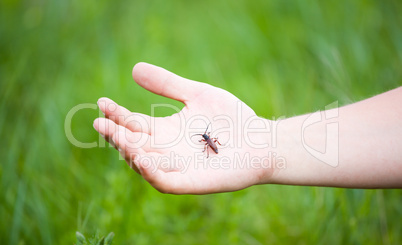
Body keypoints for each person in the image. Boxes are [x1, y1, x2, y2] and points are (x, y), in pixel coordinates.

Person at [93, 62, 402, 194]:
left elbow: (210, 140)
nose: (208, 141)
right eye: (207, 140)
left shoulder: (209, 140)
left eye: (208, 140)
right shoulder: (209, 140)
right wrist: (268, 140)